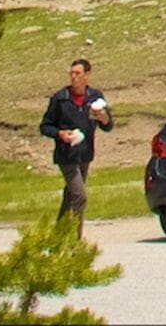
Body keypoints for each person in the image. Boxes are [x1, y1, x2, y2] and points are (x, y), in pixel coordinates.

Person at [40, 59, 112, 223]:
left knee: (70, 197)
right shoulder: (60, 98)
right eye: (71, 73)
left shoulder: (94, 97)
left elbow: (108, 126)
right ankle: (75, 242)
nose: (73, 77)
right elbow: (45, 126)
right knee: (79, 197)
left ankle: (57, 238)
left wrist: (103, 118)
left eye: (77, 73)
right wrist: (60, 134)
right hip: (66, 155)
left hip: (85, 154)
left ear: (86, 75)